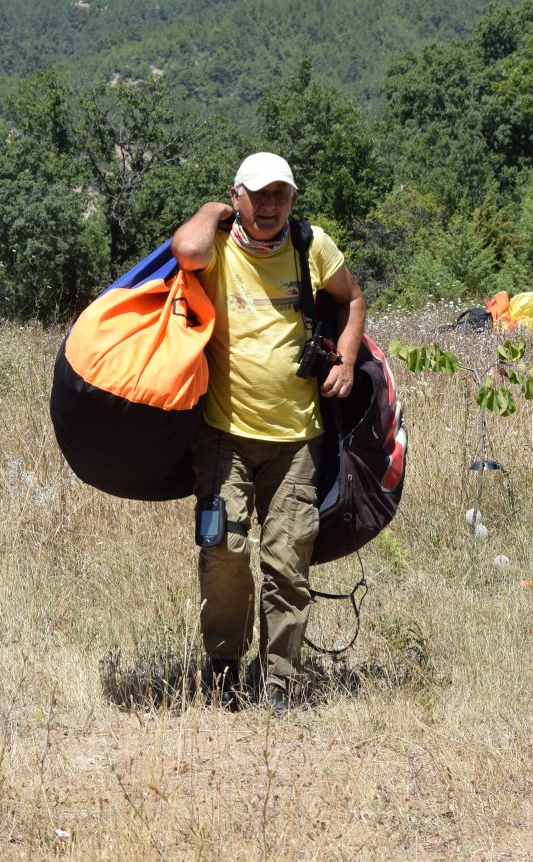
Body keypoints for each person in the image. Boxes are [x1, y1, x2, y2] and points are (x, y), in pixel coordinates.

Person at [170, 151, 367, 711]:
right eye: (257, 194)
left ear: (293, 199)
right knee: (223, 548)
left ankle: (279, 682)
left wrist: (347, 359)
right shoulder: (218, 246)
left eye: (280, 194)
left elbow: (352, 300)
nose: (269, 205)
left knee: (287, 561)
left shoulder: (311, 246)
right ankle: (224, 671)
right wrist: (212, 210)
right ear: (238, 197)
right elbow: (186, 250)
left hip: (296, 442)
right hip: (222, 435)